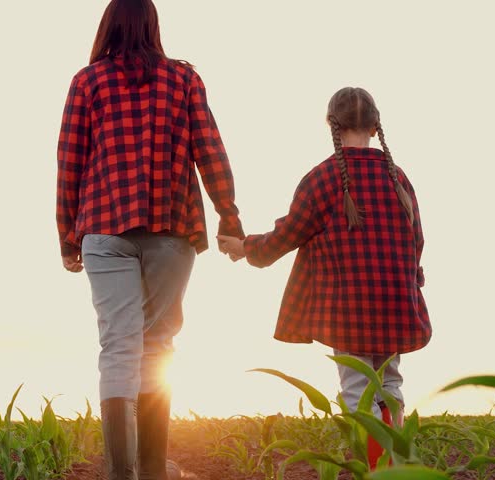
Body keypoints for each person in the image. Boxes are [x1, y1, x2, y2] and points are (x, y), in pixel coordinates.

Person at [56, 1, 244, 478]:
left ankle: (122, 473)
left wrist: (67, 236)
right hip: (171, 227)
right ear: (154, 27)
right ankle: (154, 471)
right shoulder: (184, 79)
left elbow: (69, 162)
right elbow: (210, 150)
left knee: (118, 347)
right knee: (158, 344)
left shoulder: (87, 81)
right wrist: (228, 214)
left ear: (107, 28)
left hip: (103, 225)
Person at [217, 87, 430, 467]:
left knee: (357, 389)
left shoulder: (322, 179)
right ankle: (395, 467)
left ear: (332, 124)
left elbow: (286, 235)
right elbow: (417, 240)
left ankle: (375, 469)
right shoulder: (397, 177)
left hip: (348, 308)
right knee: (390, 384)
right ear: (375, 126)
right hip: (396, 301)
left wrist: (245, 247)